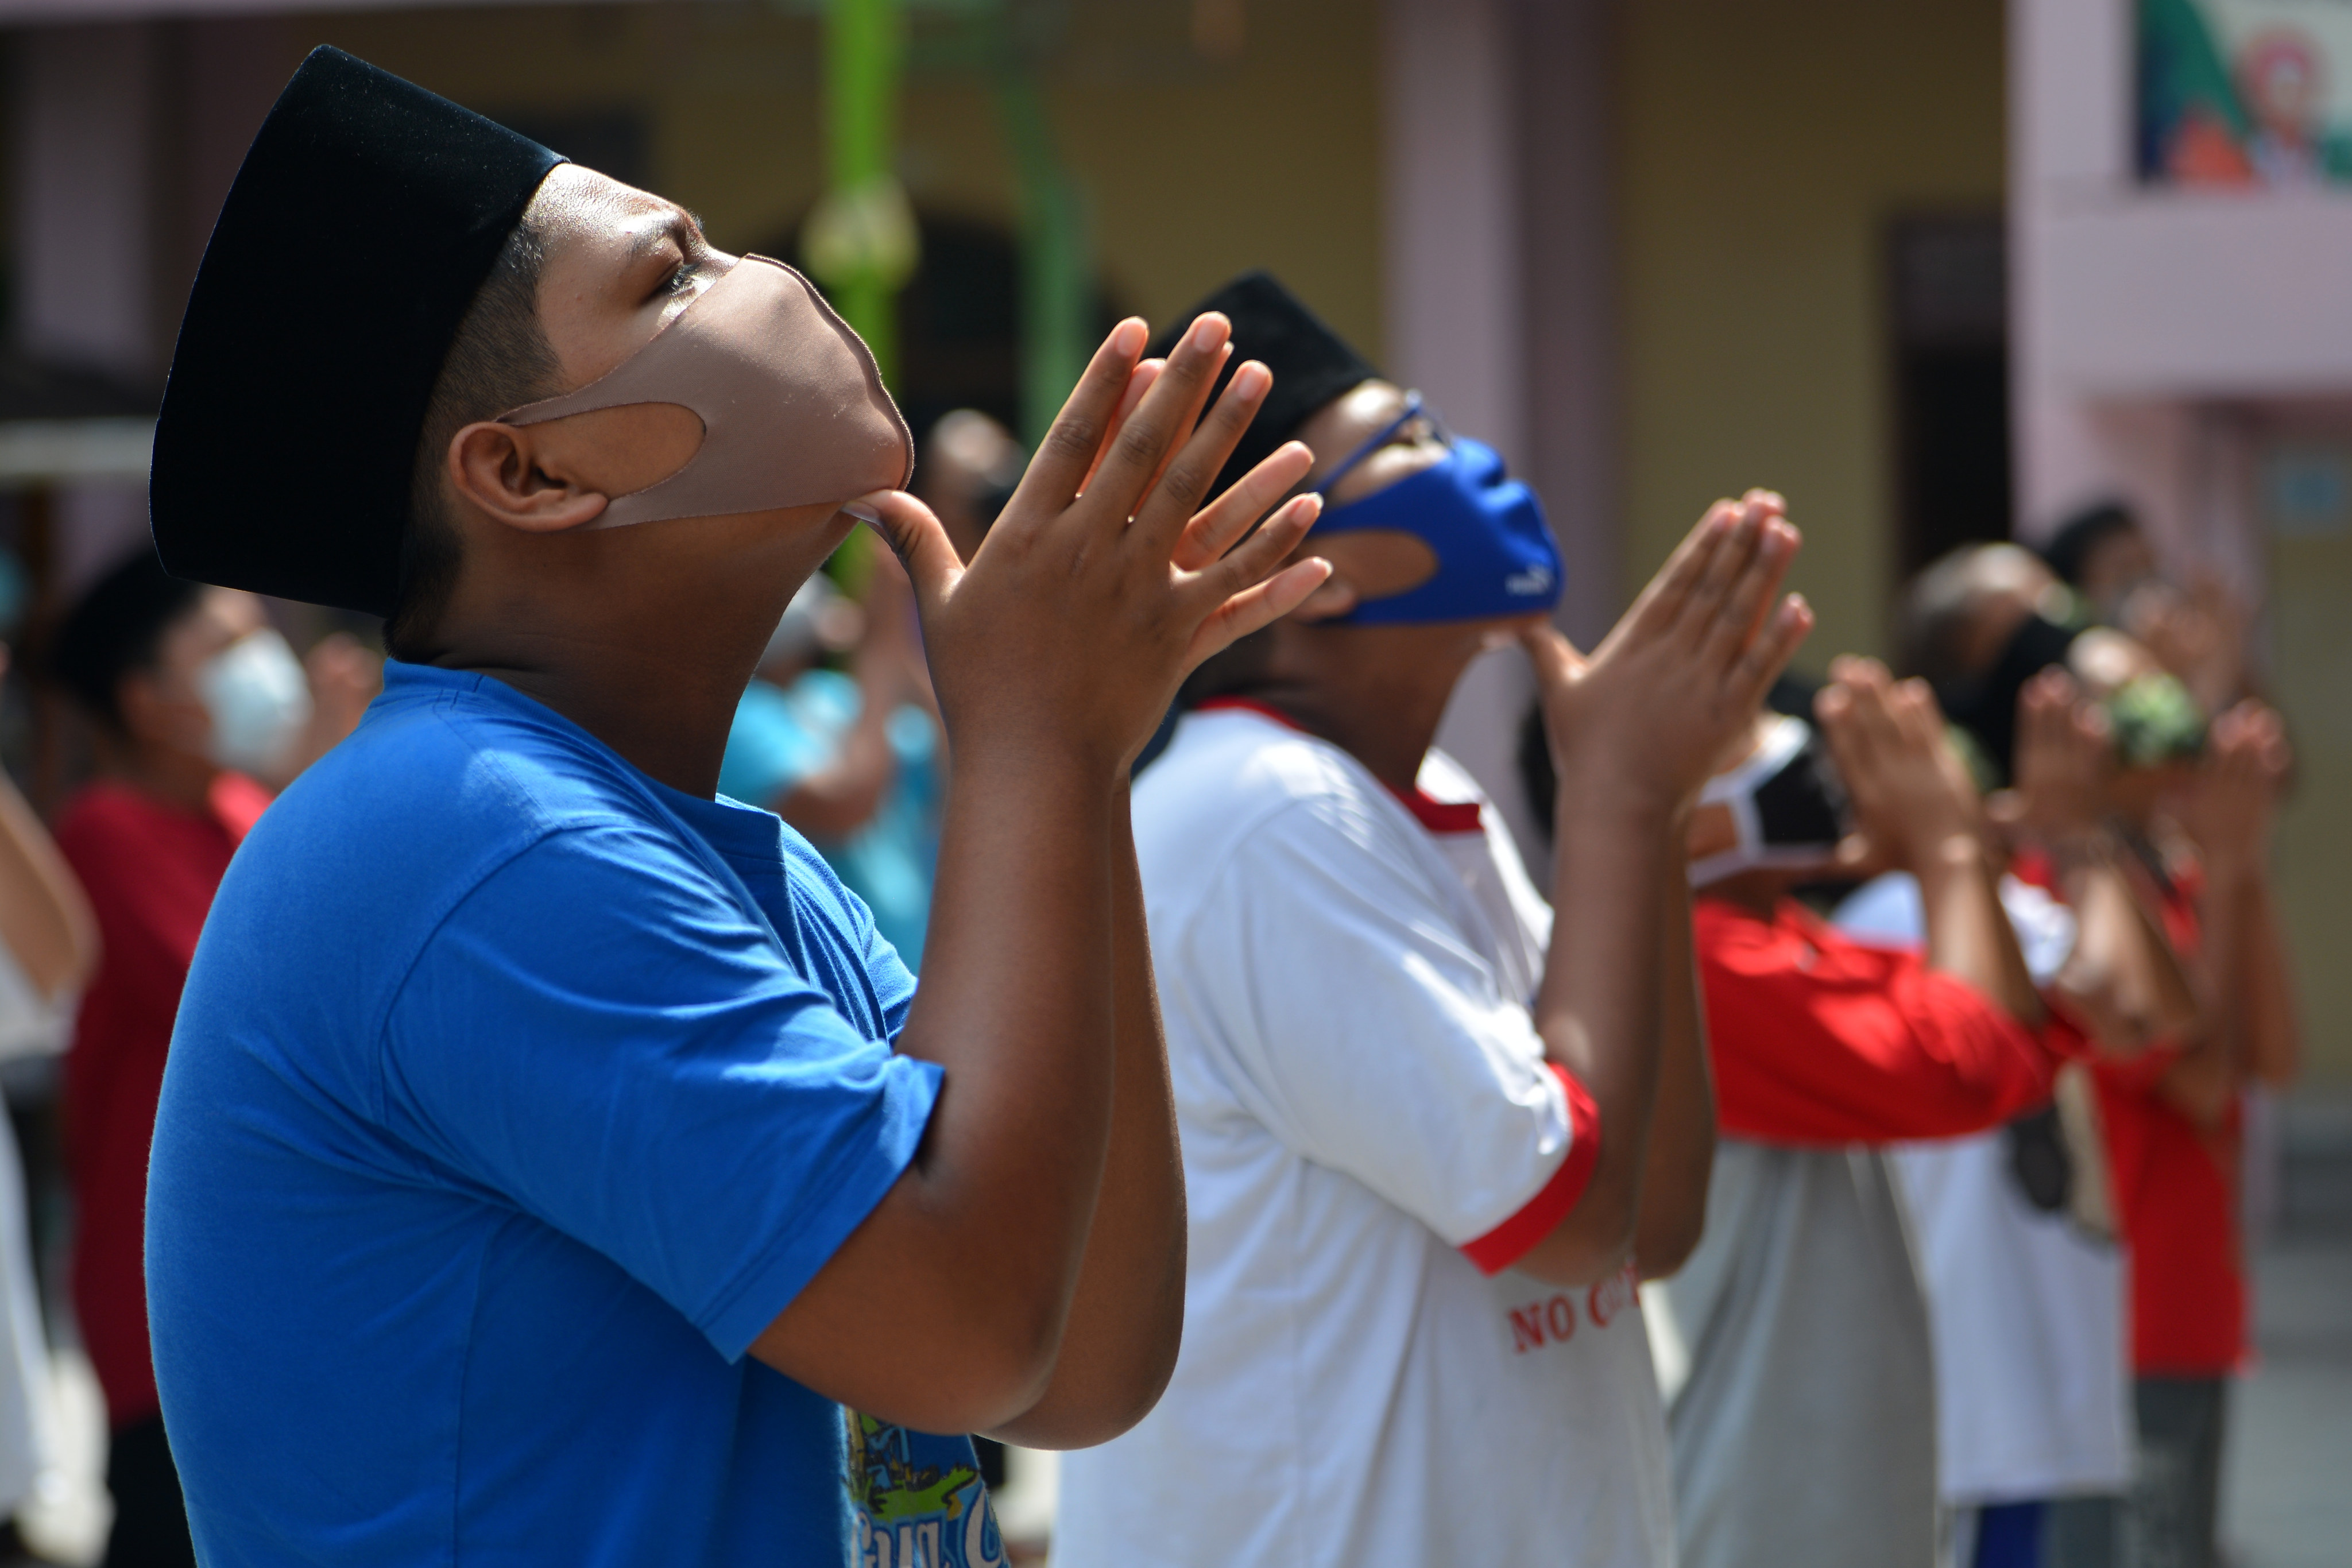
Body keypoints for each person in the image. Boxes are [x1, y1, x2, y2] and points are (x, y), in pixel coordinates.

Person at [140, 49, 1328, 1568]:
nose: (771, 276)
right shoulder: (475, 843)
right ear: (532, 470)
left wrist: (1075, 758)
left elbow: (1081, 1358)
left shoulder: (743, 864)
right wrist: (1033, 744)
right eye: (672, 275)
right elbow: (969, 1328)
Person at [1053, 271, 1813, 1568]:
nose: (1468, 463)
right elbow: (1570, 1210)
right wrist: (1623, 803)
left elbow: (1648, 1221)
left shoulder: (1413, 797)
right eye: (1409, 442)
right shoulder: (1267, 819)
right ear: (1308, 568)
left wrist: (1638, 803)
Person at [1655, 657, 2110, 1568]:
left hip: (1823, 1492)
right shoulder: (1694, 963)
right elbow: (1965, 1069)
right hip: (1748, 1503)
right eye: (1747, 734)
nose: (1807, 758)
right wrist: (1945, 845)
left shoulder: (1788, 940)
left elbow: (2019, 1040)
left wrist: (1961, 850)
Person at [1904, 545, 2299, 1568]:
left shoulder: (2156, 871)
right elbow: (2199, 1077)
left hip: (2195, 1310)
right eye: (2130, 706)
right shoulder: (2055, 887)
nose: (2167, 724)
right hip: (2126, 1319)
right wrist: (2225, 866)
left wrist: (2237, 872)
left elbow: (2277, 1057)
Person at [1837, 667, 2200, 1568]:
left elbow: (2164, 1017)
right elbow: (2122, 1006)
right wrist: (2076, 836)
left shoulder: (1966, 913)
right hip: (1975, 1372)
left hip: (1997, 1363)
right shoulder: (1893, 914)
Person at [45, 551, 364, 1567]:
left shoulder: (242, 809)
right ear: (146, 701)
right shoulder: (106, 832)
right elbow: (268, 1013)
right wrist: (325, 794)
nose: (266, 663)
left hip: (294, 1306)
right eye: (225, 645)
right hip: (172, 1323)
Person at [719, 563, 941, 963]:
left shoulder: (826, 695)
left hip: (912, 964)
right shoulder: (733, 719)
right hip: (836, 981)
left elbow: (953, 756)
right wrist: (878, 650)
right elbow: (844, 803)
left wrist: (894, 636)